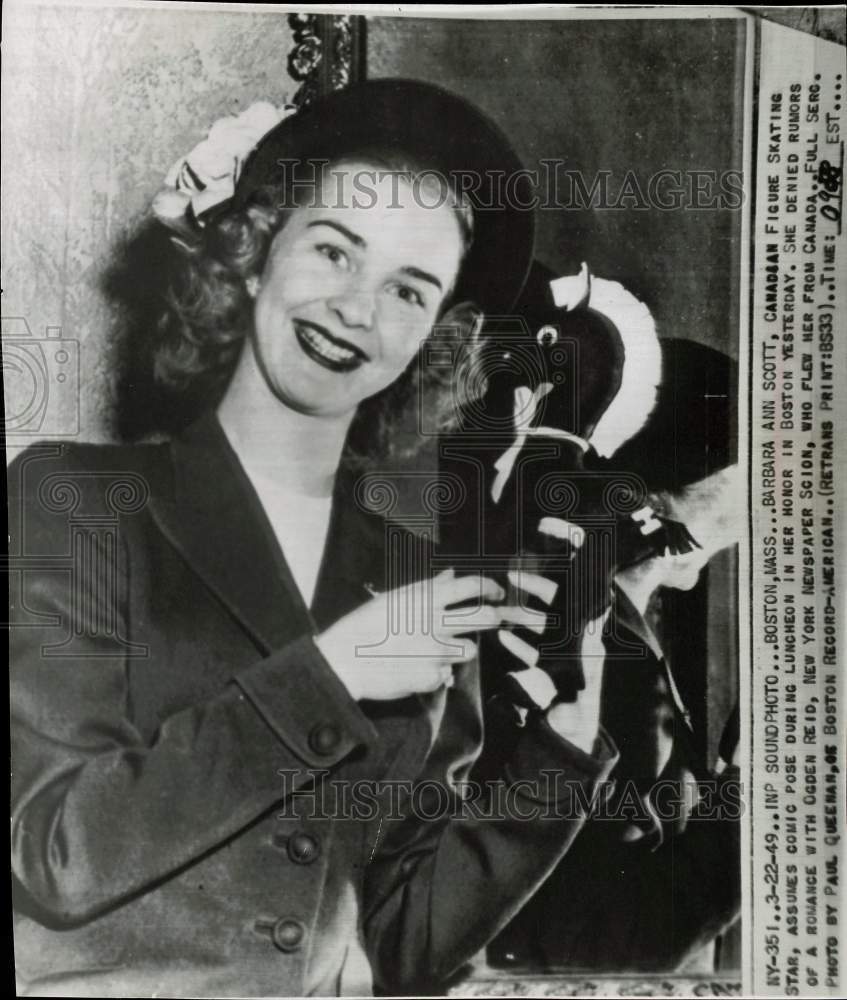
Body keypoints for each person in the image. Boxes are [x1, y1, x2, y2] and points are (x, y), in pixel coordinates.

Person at [9, 79, 618, 998]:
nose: (356, 309)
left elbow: (403, 941)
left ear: (430, 339)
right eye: (334, 250)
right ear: (255, 253)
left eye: (407, 291)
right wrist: (329, 676)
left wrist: (560, 756)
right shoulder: (72, 502)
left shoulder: (411, 577)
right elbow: (56, 852)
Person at [486, 337, 743, 972]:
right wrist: (752, 802)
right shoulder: (593, 653)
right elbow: (608, 942)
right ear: (657, 503)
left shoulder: (617, 627)